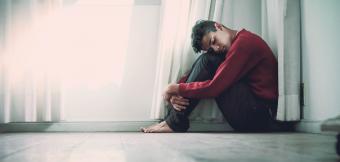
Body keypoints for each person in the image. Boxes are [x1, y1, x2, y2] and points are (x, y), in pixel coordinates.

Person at [141, 20, 278, 133]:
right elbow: (201, 70)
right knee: (208, 58)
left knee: (208, 60)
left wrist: (176, 88)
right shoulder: (235, 45)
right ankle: (172, 121)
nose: (217, 48)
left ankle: (173, 122)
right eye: (212, 47)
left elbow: (214, 87)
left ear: (218, 26)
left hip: (260, 117)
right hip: (252, 112)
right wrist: (176, 89)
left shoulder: (244, 43)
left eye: (214, 41)